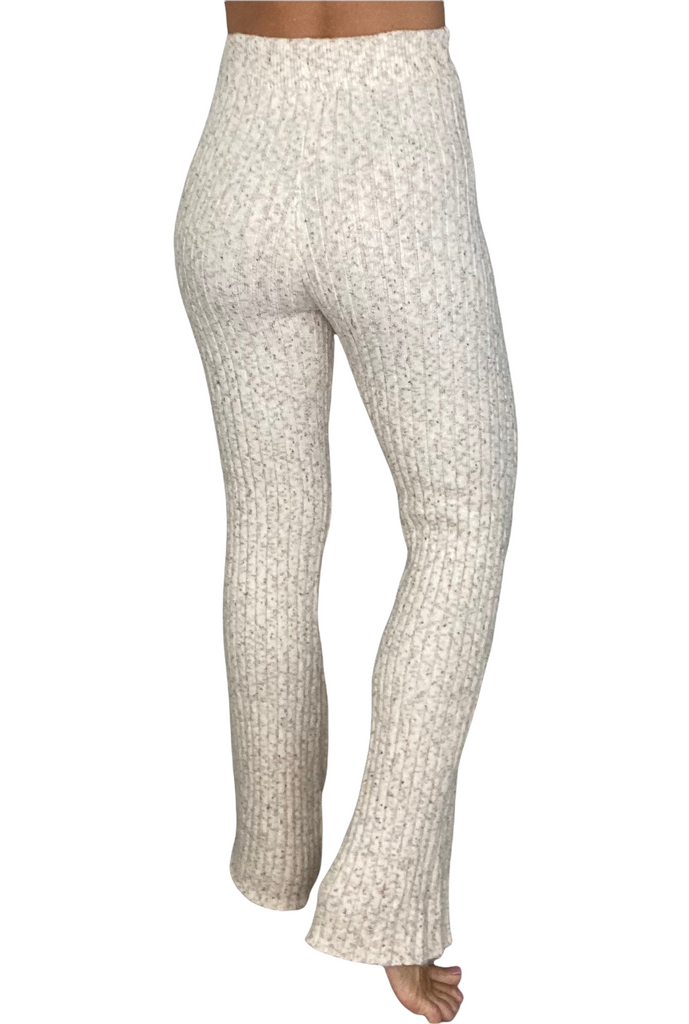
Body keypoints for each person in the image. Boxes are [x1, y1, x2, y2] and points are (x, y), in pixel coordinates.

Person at [173, 3, 518, 1020]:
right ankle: (383, 904)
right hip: (392, 154)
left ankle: (272, 856)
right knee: (461, 513)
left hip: (235, 150)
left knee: (269, 522)